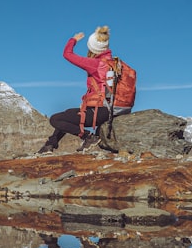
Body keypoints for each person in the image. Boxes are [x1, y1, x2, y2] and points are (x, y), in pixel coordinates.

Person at [38, 25, 133, 154]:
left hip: (102, 111)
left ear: (92, 48)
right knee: (69, 112)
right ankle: (50, 145)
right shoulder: (116, 63)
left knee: (56, 119)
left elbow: (67, 54)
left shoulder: (96, 64)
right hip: (118, 109)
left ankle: (88, 137)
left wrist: (73, 39)